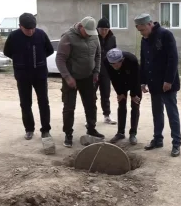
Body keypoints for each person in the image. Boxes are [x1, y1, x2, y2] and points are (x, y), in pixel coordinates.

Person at [134, 13, 181, 157]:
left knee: (171, 113)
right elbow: (144, 60)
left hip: (167, 83)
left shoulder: (165, 35)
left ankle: (176, 143)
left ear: (150, 24)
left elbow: (173, 59)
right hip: (153, 83)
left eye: (143, 30)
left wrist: (168, 80)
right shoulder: (145, 39)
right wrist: (142, 81)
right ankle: (157, 139)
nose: (142, 33)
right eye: (139, 31)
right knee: (157, 112)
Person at [56, 16, 104, 148]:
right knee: (69, 107)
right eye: (87, 32)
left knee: (91, 104)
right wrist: (67, 77)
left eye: (91, 32)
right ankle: (68, 134)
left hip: (88, 77)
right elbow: (60, 59)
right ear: (81, 27)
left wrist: (96, 72)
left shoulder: (94, 36)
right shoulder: (68, 37)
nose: (89, 35)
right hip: (71, 78)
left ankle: (91, 128)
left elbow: (98, 55)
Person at [3, 13, 53, 140]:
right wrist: (20, 60)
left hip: (40, 74)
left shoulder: (41, 34)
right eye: (27, 29)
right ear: (20, 26)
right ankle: (29, 129)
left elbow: (50, 50)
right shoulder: (14, 36)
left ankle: (45, 130)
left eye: (33, 28)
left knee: (43, 102)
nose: (30, 31)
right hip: (22, 75)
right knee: (25, 103)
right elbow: (7, 52)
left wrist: (39, 59)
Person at [104, 48, 140, 145]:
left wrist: (134, 94)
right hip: (120, 83)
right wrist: (120, 93)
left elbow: (136, 78)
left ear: (122, 60)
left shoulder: (132, 60)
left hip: (134, 82)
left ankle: (133, 133)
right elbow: (113, 78)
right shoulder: (106, 62)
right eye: (112, 64)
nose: (114, 66)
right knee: (121, 106)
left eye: (116, 64)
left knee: (135, 105)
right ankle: (120, 133)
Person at [95, 17, 117, 125]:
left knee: (106, 94)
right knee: (91, 95)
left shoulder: (112, 38)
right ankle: (90, 117)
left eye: (106, 29)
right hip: (93, 70)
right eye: (102, 29)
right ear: (97, 29)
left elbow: (114, 53)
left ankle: (107, 115)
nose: (104, 32)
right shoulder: (92, 37)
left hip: (106, 70)